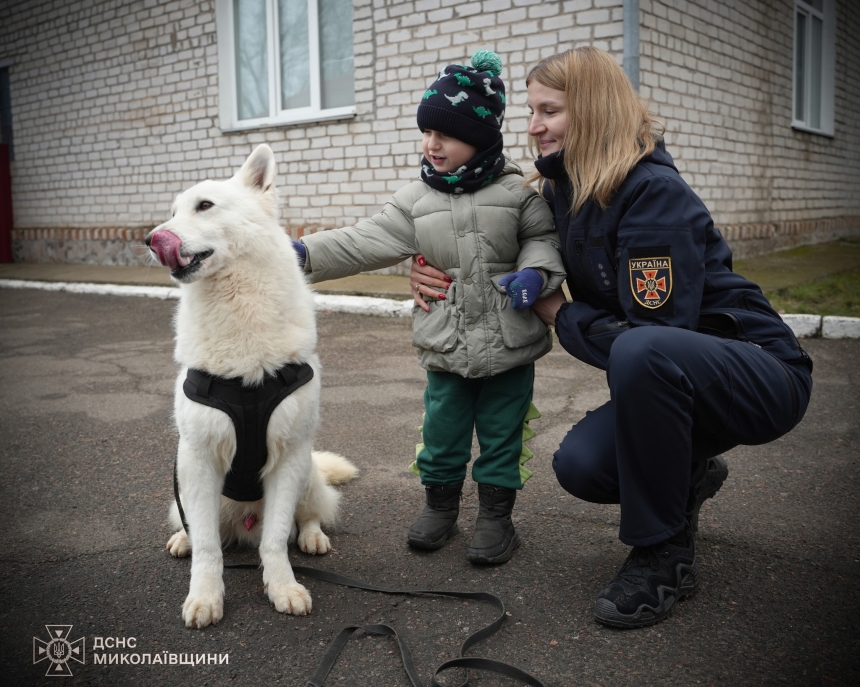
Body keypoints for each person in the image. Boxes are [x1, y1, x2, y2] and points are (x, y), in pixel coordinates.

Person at [409, 46, 813, 627]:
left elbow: (654, 334)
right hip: (675, 376)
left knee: (642, 348)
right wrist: (426, 268)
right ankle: (690, 475)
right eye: (530, 111)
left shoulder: (653, 192)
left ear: (593, 110)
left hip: (758, 370)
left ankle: (663, 555)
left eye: (549, 111)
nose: (533, 126)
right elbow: (485, 236)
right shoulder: (563, 193)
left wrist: (556, 311)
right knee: (583, 465)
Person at [292, 50, 567, 565]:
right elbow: (362, 240)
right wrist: (303, 254)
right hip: (446, 341)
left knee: (503, 434)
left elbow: (543, 240)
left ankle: (495, 519)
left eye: (446, 134)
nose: (431, 144)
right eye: (426, 132)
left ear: (482, 138)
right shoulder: (415, 200)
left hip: (510, 342)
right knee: (442, 432)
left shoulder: (518, 194)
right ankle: (440, 508)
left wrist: (536, 272)